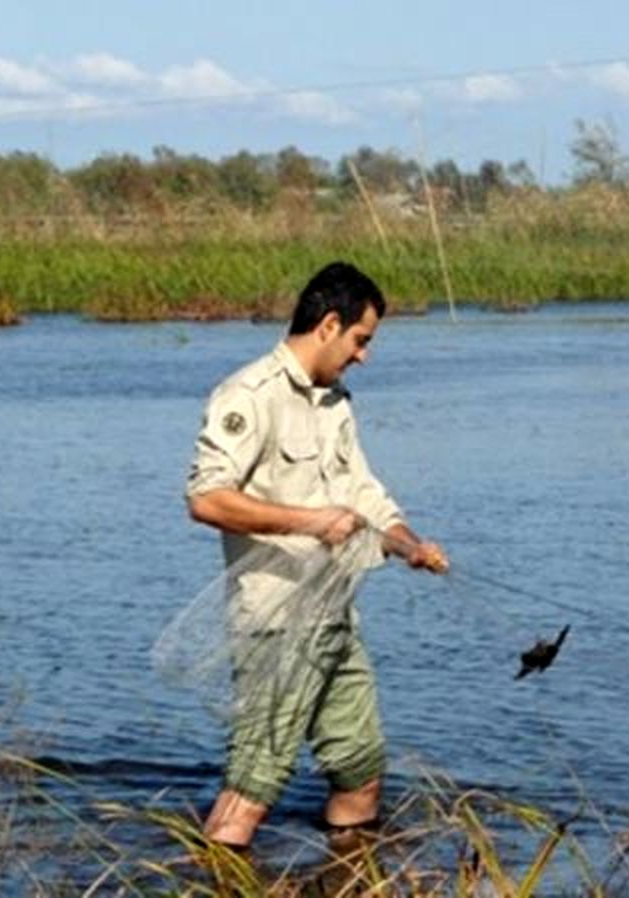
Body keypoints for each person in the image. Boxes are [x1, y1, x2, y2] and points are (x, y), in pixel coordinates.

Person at [185, 261, 448, 848]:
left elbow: (362, 494)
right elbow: (205, 500)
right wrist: (310, 521)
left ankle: (348, 881)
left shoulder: (336, 401)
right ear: (330, 324)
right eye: (361, 340)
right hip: (276, 624)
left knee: (361, 774)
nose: (364, 355)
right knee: (253, 787)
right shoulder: (247, 396)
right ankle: (213, 880)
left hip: (336, 617)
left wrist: (409, 544)